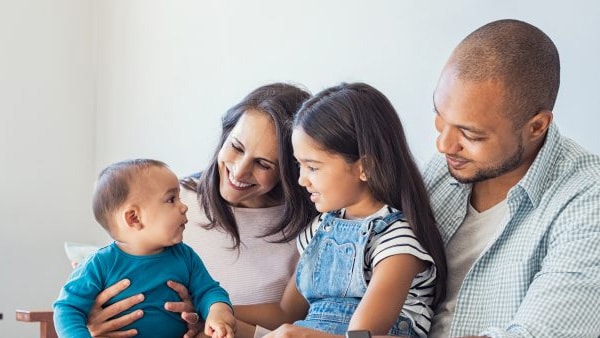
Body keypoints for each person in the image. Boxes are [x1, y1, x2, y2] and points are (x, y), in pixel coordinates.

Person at [83, 83, 318, 337]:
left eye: (263, 164)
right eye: (236, 147)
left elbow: (291, 317)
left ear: (290, 170)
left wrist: (209, 310)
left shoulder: (312, 229)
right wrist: (92, 321)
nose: (239, 171)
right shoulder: (169, 201)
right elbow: (109, 280)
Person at [425, 19, 600, 337]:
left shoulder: (588, 199)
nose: (444, 145)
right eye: (440, 118)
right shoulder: (443, 169)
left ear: (536, 126)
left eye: (471, 134)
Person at [234, 82, 447, 338]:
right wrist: (217, 310)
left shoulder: (396, 241)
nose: (302, 179)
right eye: (298, 165)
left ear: (364, 167)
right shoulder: (319, 229)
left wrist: (296, 335)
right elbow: (285, 313)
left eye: (312, 167)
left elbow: (361, 335)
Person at [53, 159, 235, 338]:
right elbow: (67, 308)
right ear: (134, 218)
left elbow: (209, 291)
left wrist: (218, 313)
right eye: (171, 199)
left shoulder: (185, 256)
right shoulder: (99, 264)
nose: (184, 206)